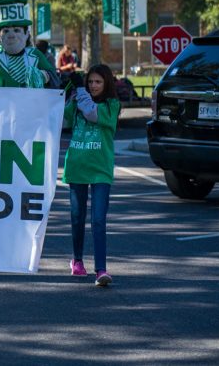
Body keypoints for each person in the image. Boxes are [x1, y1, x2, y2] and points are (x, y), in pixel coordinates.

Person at [63, 64, 120, 288]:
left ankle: (101, 270)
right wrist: (68, 85)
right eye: (90, 81)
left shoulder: (111, 105)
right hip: (77, 166)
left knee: (98, 220)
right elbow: (61, 116)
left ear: (106, 84)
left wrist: (81, 92)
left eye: (98, 82)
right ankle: (77, 261)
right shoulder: (79, 100)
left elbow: (92, 114)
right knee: (77, 218)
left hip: (101, 170)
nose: (93, 85)